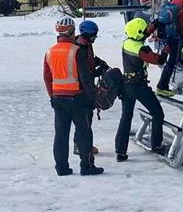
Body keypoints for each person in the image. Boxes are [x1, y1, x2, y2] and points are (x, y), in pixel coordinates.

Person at [43, 16, 104, 176]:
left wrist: (52, 96)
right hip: (77, 99)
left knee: (61, 135)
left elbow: (47, 77)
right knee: (84, 133)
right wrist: (92, 98)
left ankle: (62, 168)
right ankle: (86, 166)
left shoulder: (50, 52)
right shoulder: (76, 51)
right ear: (71, 32)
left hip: (58, 99)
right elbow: (84, 77)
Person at [115, 17, 168, 162]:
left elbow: (140, 34)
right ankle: (156, 145)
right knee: (157, 113)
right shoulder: (142, 49)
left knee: (126, 117)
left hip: (126, 84)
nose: (147, 32)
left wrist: (153, 26)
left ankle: (120, 151)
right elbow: (159, 60)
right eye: (145, 31)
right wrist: (166, 50)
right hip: (138, 86)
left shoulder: (127, 43)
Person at [73, 20, 107, 158]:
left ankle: (81, 144)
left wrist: (99, 62)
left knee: (88, 117)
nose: (95, 38)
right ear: (86, 35)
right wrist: (97, 73)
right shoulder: (78, 48)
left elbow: (90, 59)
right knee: (84, 118)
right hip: (81, 88)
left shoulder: (87, 45)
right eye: (93, 35)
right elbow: (83, 74)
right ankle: (81, 146)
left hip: (88, 85)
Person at [155, 0, 183, 97]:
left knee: (172, 59)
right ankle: (162, 86)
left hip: (168, 34)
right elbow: (181, 22)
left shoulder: (177, 3)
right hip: (173, 36)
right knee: (171, 61)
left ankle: (182, 61)